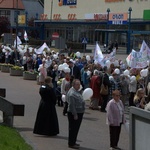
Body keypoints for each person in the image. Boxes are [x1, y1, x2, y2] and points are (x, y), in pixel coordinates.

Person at [66, 79, 85, 149]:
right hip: (74, 113)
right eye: (77, 84)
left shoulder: (77, 91)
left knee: (76, 129)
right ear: (73, 85)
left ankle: (73, 141)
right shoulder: (72, 93)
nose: (79, 85)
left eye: (79, 84)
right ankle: (71, 143)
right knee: (73, 129)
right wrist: (75, 114)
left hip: (79, 112)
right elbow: (71, 105)